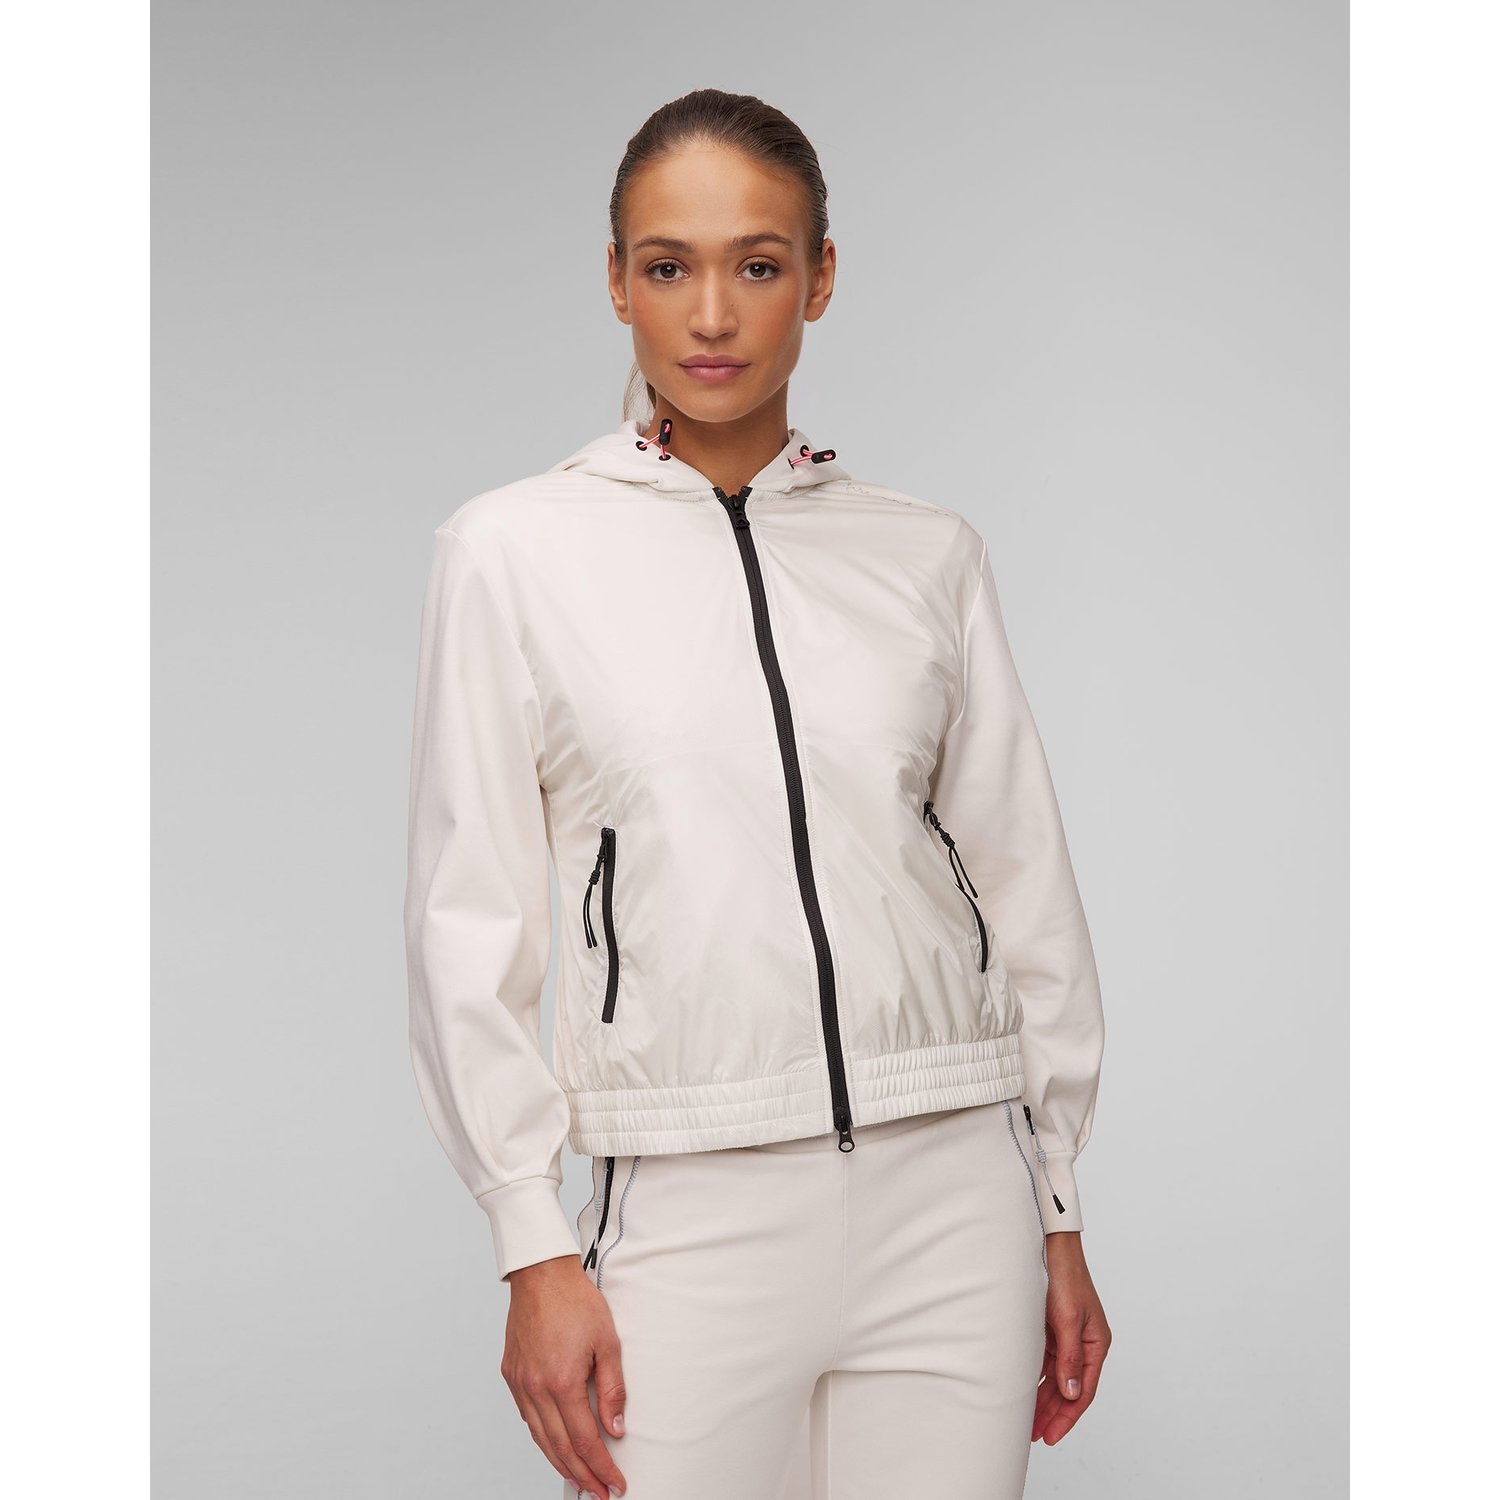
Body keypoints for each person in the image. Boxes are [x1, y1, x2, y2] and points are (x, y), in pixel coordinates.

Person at [404, 87, 1111, 1500]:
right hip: (690, 1202)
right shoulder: (513, 552)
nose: (714, 314)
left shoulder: (925, 555)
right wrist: (530, 1240)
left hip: (954, 1196)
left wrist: (1054, 1207)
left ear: (821, 278)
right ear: (618, 283)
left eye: (760, 263)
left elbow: (1023, 883)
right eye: (669, 266)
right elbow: (465, 924)